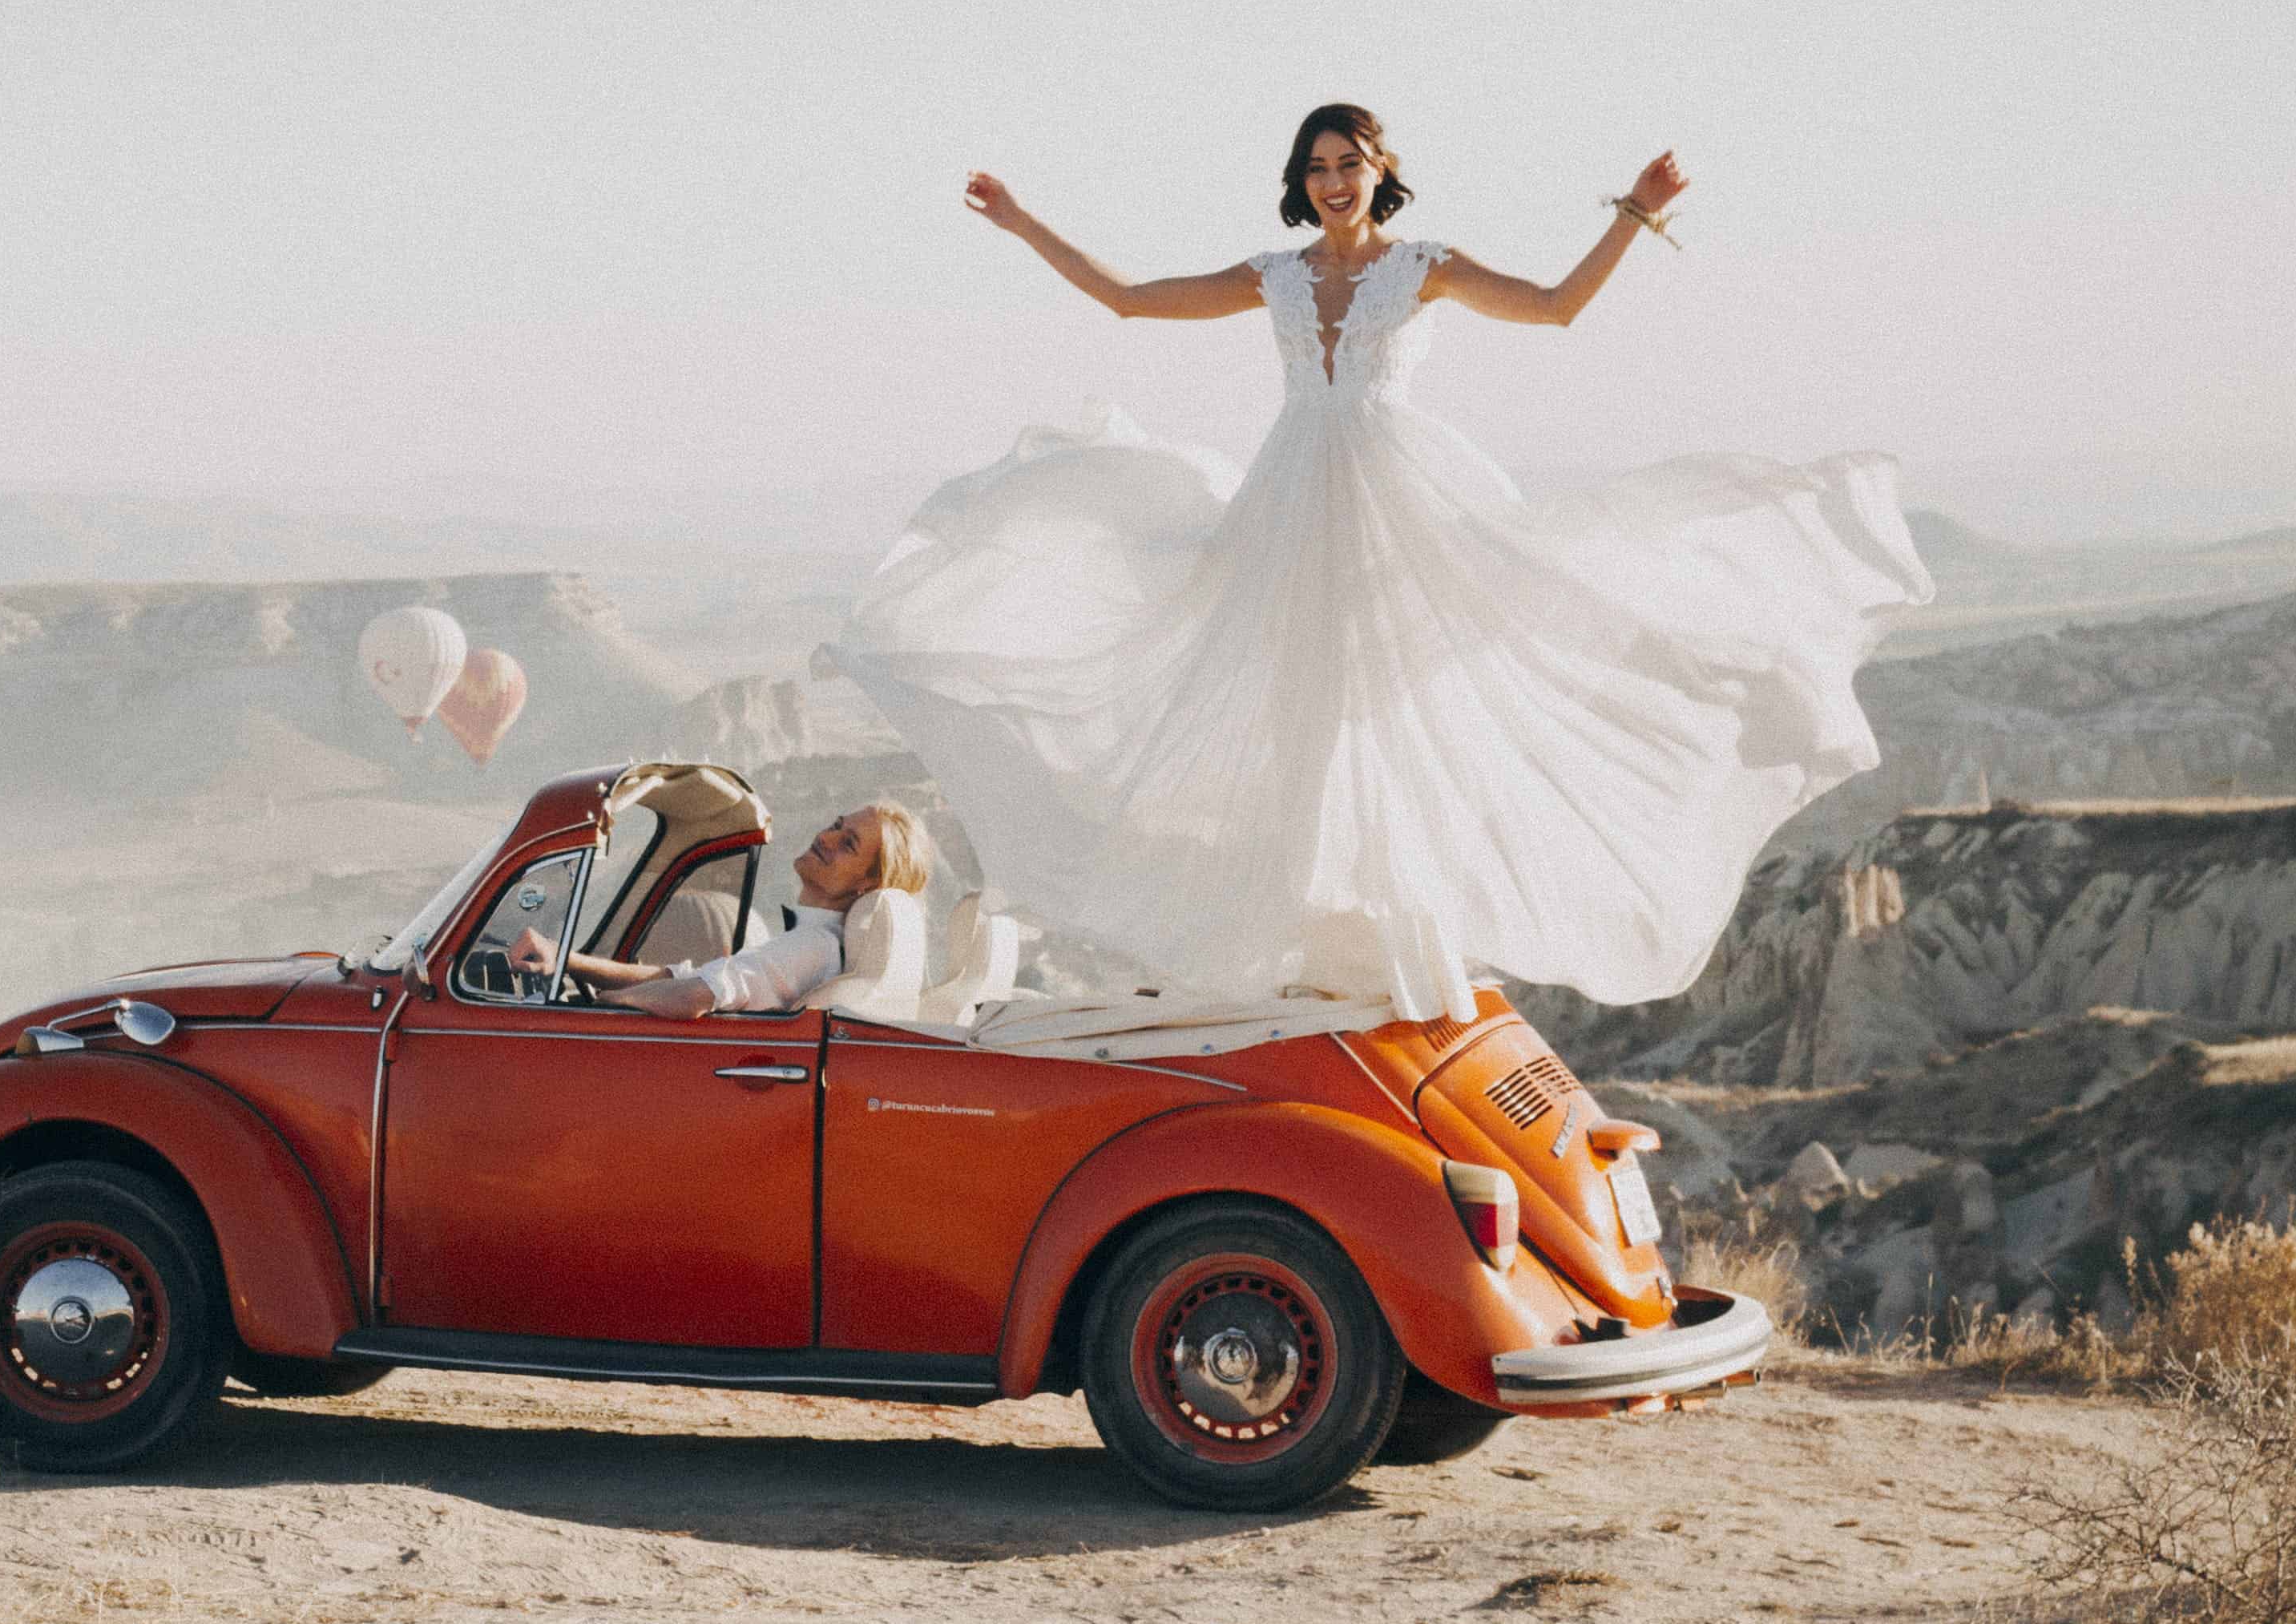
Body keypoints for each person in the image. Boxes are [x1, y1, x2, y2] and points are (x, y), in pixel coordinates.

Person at [820, 103, 1930, 1044]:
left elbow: (1555, 306)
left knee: (1397, 722)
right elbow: (1128, 300)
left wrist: (1634, 217)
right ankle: (1307, 954)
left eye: (1352, 163)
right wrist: (1024, 224)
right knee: (1284, 717)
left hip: (1398, 510)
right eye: (1319, 166)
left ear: (1382, 173)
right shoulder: (1275, 277)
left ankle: (1396, 947)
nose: (1336, 180)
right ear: (1302, 184)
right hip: (1292, 509)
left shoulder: (1423, 270)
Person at [510, 803, 934, 1019]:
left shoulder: (812, 945)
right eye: (838, 825)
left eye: (849, 845)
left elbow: (697, 995)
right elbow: (689, 978)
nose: (827, 837)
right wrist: (566, 961)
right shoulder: (816, 946)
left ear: (867, 884)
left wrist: (603, 1005)